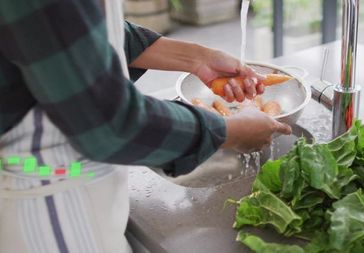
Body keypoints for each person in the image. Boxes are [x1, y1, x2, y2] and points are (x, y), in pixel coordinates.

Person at [0, 0, 291, 252]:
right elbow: (109, 123)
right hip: (48, 203)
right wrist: (228, 132)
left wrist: (197, 58)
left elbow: (82, 36)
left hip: (68, 178)